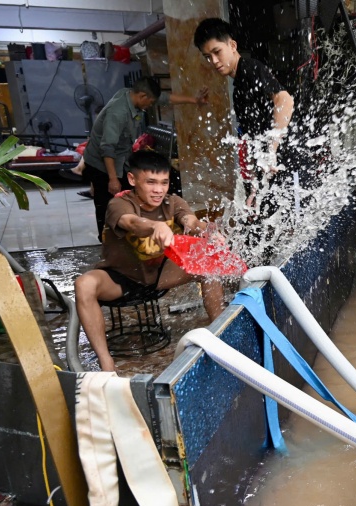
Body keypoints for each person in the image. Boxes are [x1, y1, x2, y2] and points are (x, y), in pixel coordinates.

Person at [74, 150, 225, 372]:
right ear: (133, 180)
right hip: (121, 278)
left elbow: (190, 220)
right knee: (84, 284)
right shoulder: (119, 204)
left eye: (163, 183)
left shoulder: (172, 202)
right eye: (151, 182)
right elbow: (132, 223)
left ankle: (221, 333)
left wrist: (208, 231)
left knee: (209, 262)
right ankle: (106, 363)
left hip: (161, 275)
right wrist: (155, 226)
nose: (158, 190)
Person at [193, 17, 310, 263]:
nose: (213, 61)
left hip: (284, 165)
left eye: (217, 52)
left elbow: (285, 100)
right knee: (258, 227)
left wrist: (272, 149)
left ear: (232, 45)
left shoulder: (250, 69)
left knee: (290, 233)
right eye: (207, 57)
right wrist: (254, 185)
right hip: (266, 171)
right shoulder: (239, 83)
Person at [81, 77, 208, 238]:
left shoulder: (132, 96)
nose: (150, 107)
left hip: (122, 157)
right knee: (106, 200)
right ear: (142, 96)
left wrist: (194, 100)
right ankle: (106, 239)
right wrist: (113, 178)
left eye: (164, 183)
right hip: (102, 162)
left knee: (128, 194)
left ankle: (136, 232)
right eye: (149, 103)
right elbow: (107, 148)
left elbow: (165, 99)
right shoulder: (118, 112)